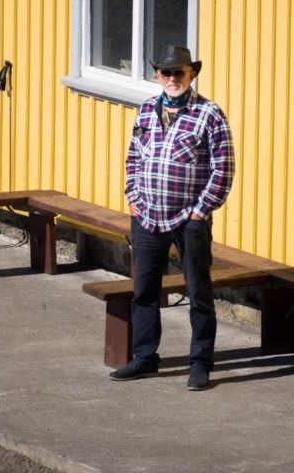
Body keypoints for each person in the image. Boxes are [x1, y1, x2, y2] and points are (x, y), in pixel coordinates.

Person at [109, 45, 235, 391]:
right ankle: (145, 358)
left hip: (188, 219)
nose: (171, 79)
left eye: (178, 72)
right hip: (147, 216)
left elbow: (223, 170)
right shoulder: (147, 108)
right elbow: (133, 156)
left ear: (191, 73)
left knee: (199, 293)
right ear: (157, 75)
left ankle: (200, 363)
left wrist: (200, 212)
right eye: (165, 73)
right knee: (144, 292)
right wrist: (133, 198)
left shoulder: (210, 114)